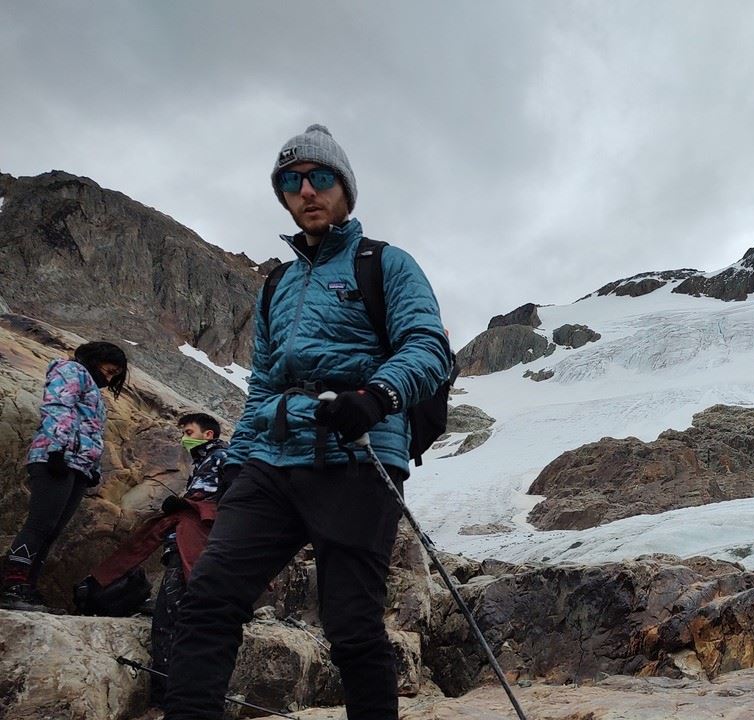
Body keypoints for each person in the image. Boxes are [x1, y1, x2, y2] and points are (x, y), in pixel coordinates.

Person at [164, 124, 452, 720]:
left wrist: (374, 397)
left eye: (320, 178)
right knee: (209, 597)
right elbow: (264, 384)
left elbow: (428, 348)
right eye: (291, 183)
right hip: (272, 461)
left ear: (345, 189)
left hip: (358, 458)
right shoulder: (278, 284)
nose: (306, 191)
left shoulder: (386, 264)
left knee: (350, 627)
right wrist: (236, 462)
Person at [78, 412, 229, 708]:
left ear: (207, 435)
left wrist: (197, 507)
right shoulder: (202, 462)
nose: (184, 436)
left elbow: (230, 496)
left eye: (188, 431)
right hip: (188, 540)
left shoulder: (223, 457)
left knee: (169, 617)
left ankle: (169, 695)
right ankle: (182, 693)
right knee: (179, 613)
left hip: (200, 542)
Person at [1, 340, 128, 612]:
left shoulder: (91, 386)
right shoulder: (70, 371)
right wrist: (57, 449)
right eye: (108, 370)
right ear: (93, 360)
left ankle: (28, 587)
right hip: (55, 458)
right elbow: (59, 407)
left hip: (77, 465)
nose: (108, 378)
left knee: (52, 530)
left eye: (113, 375)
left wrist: (91, 469)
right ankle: (12, 586)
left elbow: (89, 429)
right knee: (39, 525)